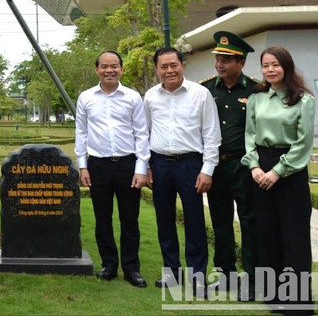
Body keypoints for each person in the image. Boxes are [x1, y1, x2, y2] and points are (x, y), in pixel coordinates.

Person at [242, 46, 315, 312]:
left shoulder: (303, 99)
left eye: (275, 64)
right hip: (260, 168)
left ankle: (297, 302)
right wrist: (254, 167)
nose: (270, 70)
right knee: (267, 234)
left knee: (294, 237)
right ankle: (274, 297)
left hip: (290, 171)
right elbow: (249, 137)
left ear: (286, 66)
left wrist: (277, 171)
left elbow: (303, 143)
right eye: (265, 65)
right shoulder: (256, 99)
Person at [144, 47, 220, 292]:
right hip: (160, 164)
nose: (169, 71)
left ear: (182, 66)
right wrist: (146, 166)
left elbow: (211, 134)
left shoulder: (201, 94)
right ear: (157, 69)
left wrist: (207, 169)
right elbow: (144, 133)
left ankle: (197, 276)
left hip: (191, 164)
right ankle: (171, 273)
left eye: (173, 65)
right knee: (164, 221)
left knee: (195, 221)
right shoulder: (150, 97)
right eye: (163, 67)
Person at [74, 51, 149, 288]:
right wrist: (83, 166)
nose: (109, 70)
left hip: (128, 165)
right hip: (98, 166)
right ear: (96, 69)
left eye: (114, 66)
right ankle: (109, 265)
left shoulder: (132, 97)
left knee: (130, 219)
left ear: (122, 69)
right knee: (102, 219)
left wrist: (141, 168)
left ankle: (131, 268)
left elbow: (141, 133)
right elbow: (81, 133)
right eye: (104, 66)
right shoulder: (86, 98)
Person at [200, 31, 257, 299]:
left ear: (241, 63)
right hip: (217, 167)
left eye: (227, 59)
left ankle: (254, 279)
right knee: (221, 222)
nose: (220, 64)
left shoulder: (257, 90)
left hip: (245, 167)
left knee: (249, 222)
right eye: (218, 59)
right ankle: (225, 275)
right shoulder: (206, 89)